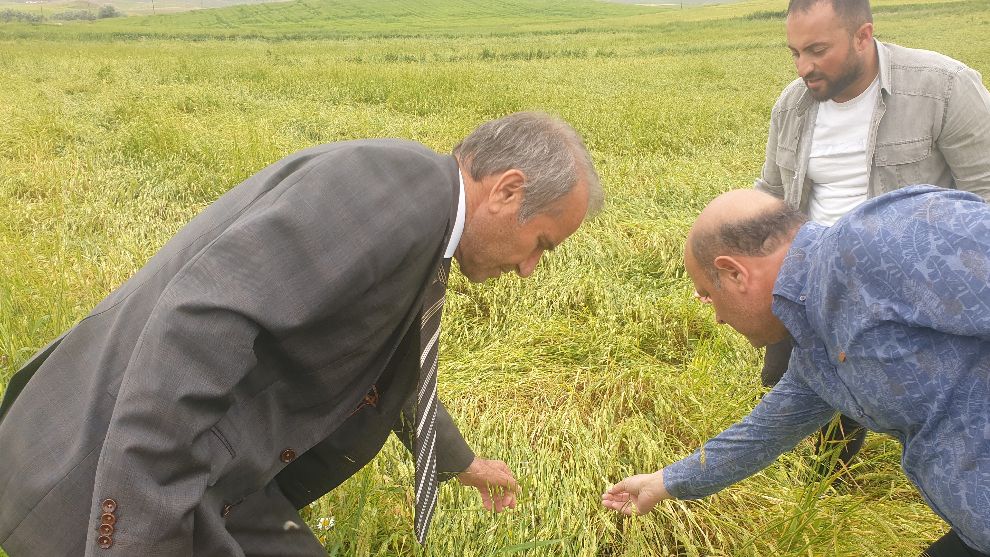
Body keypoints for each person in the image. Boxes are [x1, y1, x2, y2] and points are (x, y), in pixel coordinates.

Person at [0, 111, 604, 556]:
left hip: (212, 474)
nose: (530, 269)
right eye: (541, 245)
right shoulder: (385, 196)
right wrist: (139, 534)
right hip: (108, 473)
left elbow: (397, 366)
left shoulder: (421, 210)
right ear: (508, 190)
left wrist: (458, 461)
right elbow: (199, 327)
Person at [603, 187, 990, 556]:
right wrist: (663, 483)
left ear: (735, 273)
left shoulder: (886, 234)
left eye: (707, 294)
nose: (718, 318)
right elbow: (761, 436)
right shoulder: (814, 353)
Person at [754, 0, 990, 473]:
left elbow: (983, 194)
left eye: (818, 50)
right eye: (795, 53)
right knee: (784, 381)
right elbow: (772, 192)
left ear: (863, 36)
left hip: (900, 287)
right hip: (811, 275)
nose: (804, 68)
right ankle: (819, 479)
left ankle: (853, 475)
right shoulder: (794, 104)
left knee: (903, 398)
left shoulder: (943, 87)